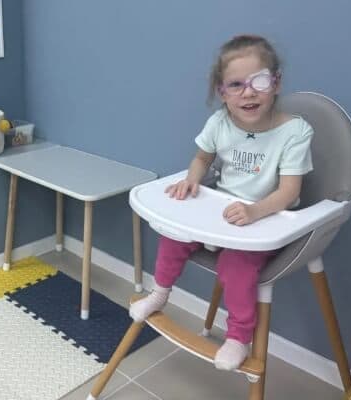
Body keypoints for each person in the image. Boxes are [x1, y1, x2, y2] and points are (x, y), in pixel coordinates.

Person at [129, 34, 314, 370]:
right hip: (220, 210)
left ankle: (239, 336)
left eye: (259, 81)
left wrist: (254, 211)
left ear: (275, 83)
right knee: (174, 234)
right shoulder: (219, 123)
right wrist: (192, 179)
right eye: (236, 84)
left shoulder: (295, 132)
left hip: (266, 219)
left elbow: (289, 191)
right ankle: (159, 293)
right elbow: (202, 158)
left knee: (235, 265)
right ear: (222, 92)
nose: (248, 93)